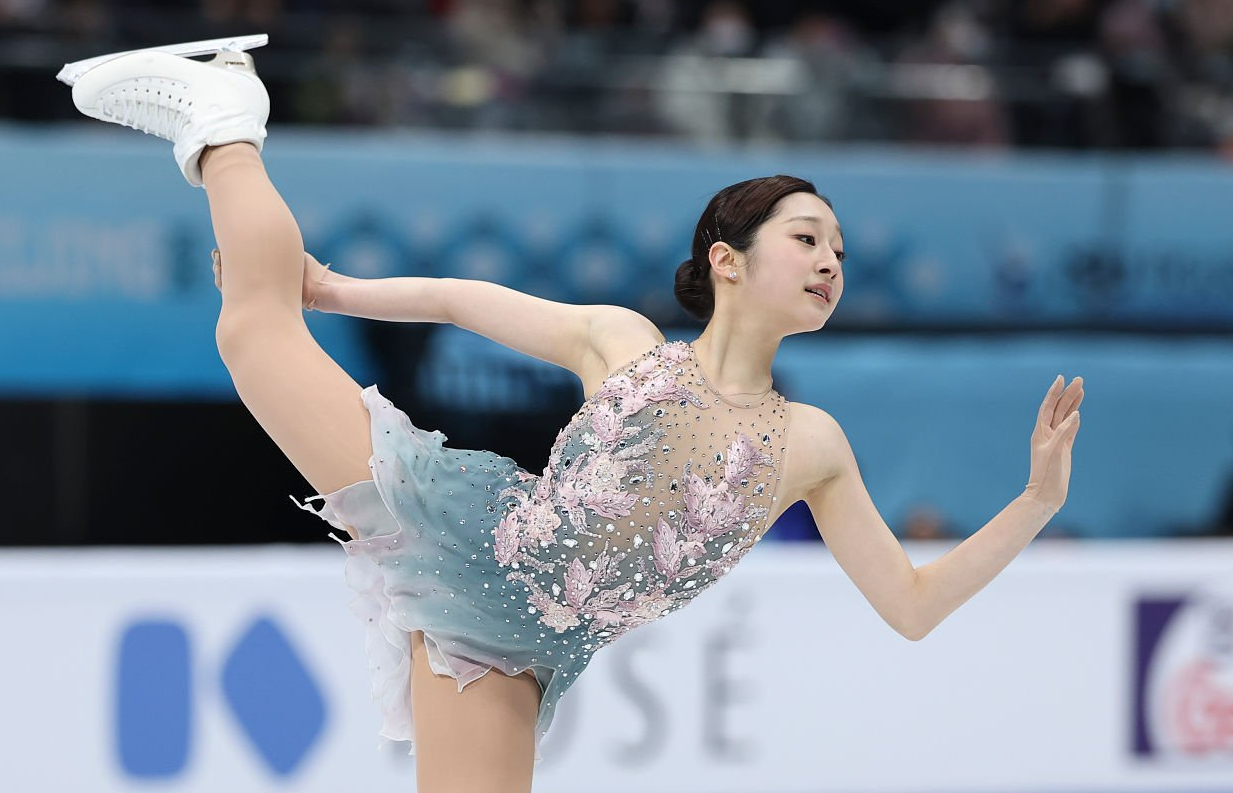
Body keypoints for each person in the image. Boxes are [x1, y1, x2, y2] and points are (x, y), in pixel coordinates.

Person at [58, 36, 1085, 793]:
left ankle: (227, 126)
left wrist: (1036, 501)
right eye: (808, 238)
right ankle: (226, 121)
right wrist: (334, 290)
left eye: (840, 254)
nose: (830, 262)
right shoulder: (622, 341)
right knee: (255, 331)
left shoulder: (811, 444)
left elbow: (910, 605)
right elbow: (462, 299)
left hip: (530, 648)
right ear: (728, 261)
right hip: (465, 533)